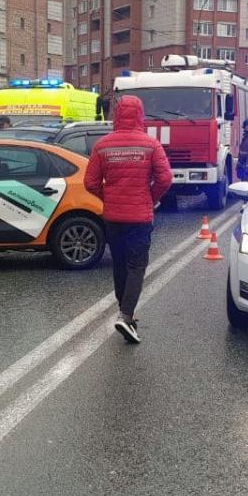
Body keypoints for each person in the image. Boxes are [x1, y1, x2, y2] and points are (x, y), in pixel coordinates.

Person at [85, 94, 173, 344]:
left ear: (116, 114)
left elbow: (90, 183)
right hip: (139, 217)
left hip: (113, 217)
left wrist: (108, 196)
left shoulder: (102, 145)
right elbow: (165, 178)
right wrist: (151, 197)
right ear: (140, 115)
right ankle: (125, 315)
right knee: (137, 266)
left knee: (120, 264)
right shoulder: (150, 144)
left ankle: (126, 313)